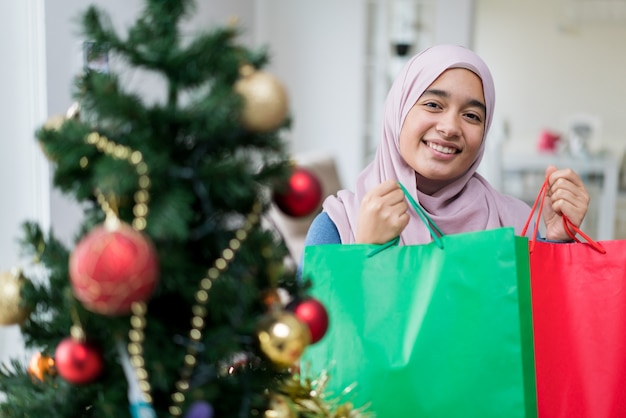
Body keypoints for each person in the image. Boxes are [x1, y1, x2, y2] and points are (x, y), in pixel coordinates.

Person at [303, 44, 589, 249]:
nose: (450, 127)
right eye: (432, 104)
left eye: (472, 116)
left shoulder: (517, 225)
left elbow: (545, 324)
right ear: (398, 112)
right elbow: (311, 331)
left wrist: (556, 241)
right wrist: (364, 251)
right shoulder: (339, 225)